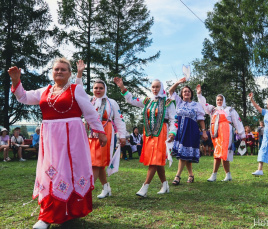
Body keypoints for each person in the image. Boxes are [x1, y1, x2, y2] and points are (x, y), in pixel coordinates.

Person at [8, 57, 107, 229]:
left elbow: (90, 112)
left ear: (69, 73)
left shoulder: (76, 90)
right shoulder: (44, 91)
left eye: (63, 69)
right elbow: (23, 97)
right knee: (51, 172)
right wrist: (16, 81)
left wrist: (100, 132)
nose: (59, 71)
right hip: (51, 140)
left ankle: (70, 212)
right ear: (52, 72)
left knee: (69, 171)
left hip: (72, 140)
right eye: (56, 69)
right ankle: (47, 216)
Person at [114, 77, 176, 197]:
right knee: (156, 160)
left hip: (162, 133)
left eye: (157, 86)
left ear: (161, 87)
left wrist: (172, 132)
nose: (155, 89)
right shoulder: (148, 101)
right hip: (149, 134)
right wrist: (122, 87)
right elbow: (132, 100)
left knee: (154, 160)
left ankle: (145, 187)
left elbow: (174, 119)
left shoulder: (168, 102)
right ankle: (165, 184)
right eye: (153, 86)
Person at [75, 61, 126, 199]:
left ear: (105, 89)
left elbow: (119, 120)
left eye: (101, 88)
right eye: (95, 87)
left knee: (96, 163)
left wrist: (122, 136)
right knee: (97, 163)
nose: (98, 90)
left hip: (105, 134)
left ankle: (86, 192)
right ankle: (106, 187)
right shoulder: (89, 100)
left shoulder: (112, 103)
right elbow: (78, 89)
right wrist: (79, 73)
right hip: (89, 135)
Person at [196, 84, 245, 182]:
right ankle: (228, 175)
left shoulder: (229, 110)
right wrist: (199, 95)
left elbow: (237, 121)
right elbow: (203, 104)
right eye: (218, 99)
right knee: (220, 152)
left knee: (221, 152)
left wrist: (242, 134)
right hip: (216, 134)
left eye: (221, 99)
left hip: (227, 133)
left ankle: (214, 175)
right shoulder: (213, 110)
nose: (219, 101)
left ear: (224, 100)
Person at [168, 77, 207, 185]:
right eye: (184, 91)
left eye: (188, 91)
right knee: (185, 154)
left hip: (191, 131)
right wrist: (178, 82)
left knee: (183, 154)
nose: (186, 93)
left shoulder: (196, 105)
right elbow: (170, 91)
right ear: (181, 94)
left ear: (191, 94)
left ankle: (177, 176)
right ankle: (191, 175)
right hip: (180, 130)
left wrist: (204, 131)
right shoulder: (178, 102)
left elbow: (201, 119)